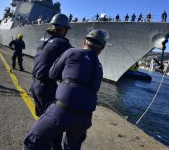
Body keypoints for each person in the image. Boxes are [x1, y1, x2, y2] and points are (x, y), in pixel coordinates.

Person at [23, 29, 107, 150]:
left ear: (84, 41)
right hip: (85, 118)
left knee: (32, 141)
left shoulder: (72, 52)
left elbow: (52, 74)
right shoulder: (100, 68)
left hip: (63, 112)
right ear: (102, 49)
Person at [30, 13, 72, 149]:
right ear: (63, 29)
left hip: (35, 85)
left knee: (43, 119)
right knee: (55, 125)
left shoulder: (42, 40)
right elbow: (73, 58)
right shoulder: (62, 43)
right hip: (46, 87)